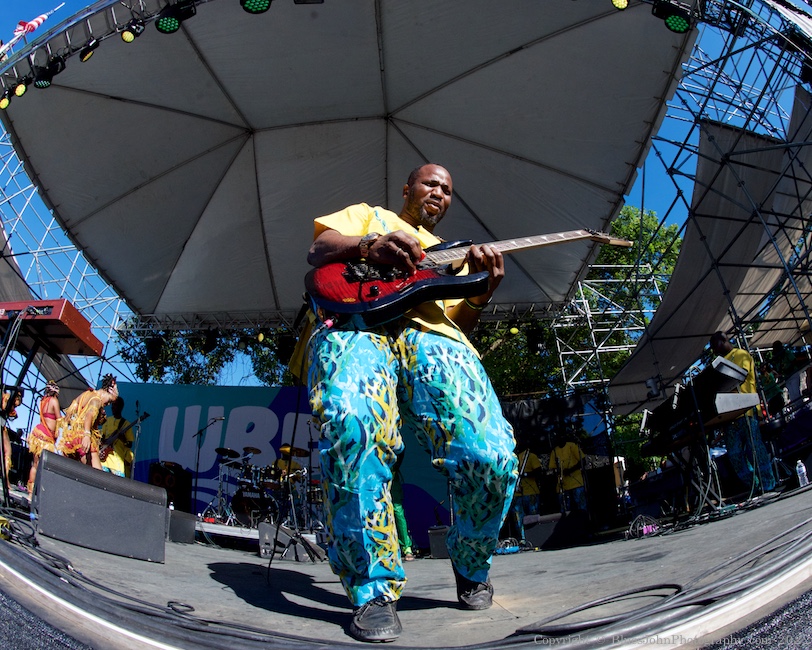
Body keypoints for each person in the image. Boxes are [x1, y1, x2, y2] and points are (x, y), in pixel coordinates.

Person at [303, 164, 518, 642]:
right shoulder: (369, 215)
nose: (438, 192)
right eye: (429, 183)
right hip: (358, 323)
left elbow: (459, 319)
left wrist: (484, 292)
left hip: (434, 338)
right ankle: (372, 589)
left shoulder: (455, 256)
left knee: (490, 453)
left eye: (447, 189)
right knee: (353, 426)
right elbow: (319, 250)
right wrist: (366, 245)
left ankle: (472, 559)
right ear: (407, 189)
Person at [709, 332, 776, 494]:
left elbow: (740, 376)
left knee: (755, 449)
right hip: (729, 416)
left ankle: (768, 484)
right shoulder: (718, 362)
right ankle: (754, 485)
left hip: (746, 410)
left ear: (723, 340)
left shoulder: (740, 354)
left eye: (714, 346)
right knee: (735, 455)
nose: (714, 351)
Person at [55, 374, 118, 470]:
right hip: (84, 439)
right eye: (109, 401)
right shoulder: (96, 400)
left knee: (68, 472)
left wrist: (68, 422)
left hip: (72, 438)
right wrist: (87, 434)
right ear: (109, 389)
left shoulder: (87, 394)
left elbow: (73, 406)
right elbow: (90, 414)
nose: (107, 404)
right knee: (97, 476)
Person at [26, 381, 61, 496]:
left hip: (37, 433)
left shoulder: (43, 401)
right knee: (44, 467)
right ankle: (41, 494)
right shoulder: (54, 401)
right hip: (46, 437)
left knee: (35, 464)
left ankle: (31, 492)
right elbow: (59, 419)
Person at [548, 432, 586, 513]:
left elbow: (583, 461)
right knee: (565, 511)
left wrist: (570, 470)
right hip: (562, 486)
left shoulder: (572, 446)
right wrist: (558, 471)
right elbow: (552, 468)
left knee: (581, 508)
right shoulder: (554, 451)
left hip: (577, 483)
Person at [512, 447, 543, 541]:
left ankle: (536, 537)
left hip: (531, 492)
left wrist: (525, 475)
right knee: (518, 518)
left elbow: (538, 472)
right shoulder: (511, 458)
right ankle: (523, 538)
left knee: (533, 516)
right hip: (517, 493)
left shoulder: (530, 456)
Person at [99, 396, 134, 478]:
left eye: (115, 406)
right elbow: (102, 438)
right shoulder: (107, 420)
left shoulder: (126, 424)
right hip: (104, 459)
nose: (113, 408)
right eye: (112, 406)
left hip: (117, 460)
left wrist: (123, 439)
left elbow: (130, 444)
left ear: (120, 407)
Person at [390, 452, 414, 562]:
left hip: (391, 477)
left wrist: (394, 467)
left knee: (397, 511)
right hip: (374, 478)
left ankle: (406, 548)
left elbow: (400, 449)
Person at [1, 390, 23, 491]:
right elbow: (4, 408)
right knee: (7, 452)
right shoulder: (7, 397)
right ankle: (6, 481)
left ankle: (6, 479)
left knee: (7, 452)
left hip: (2, 426)